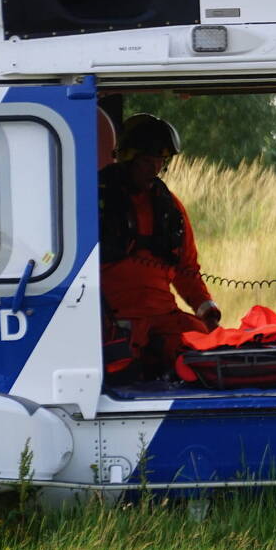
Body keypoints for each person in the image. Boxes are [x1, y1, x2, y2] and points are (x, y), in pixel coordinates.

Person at [99, 113, 221, 384]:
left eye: (161, 162)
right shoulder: (93, 201)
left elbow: (187, 269)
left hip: (163, 317)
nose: (154, 169)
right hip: (113, 319)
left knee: (209, 347)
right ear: (127, 157)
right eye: (146, 162)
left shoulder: (170, 207)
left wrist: (207, 311)